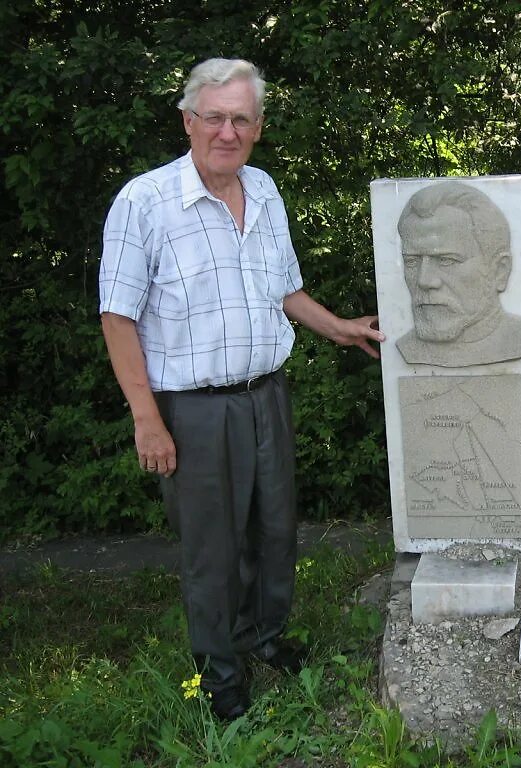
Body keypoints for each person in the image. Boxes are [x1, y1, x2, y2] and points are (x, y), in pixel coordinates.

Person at [98, 58, 385, 721]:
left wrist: (336, 326)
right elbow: (117, 316)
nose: (227, 132)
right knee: (214, 550)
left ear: (258, 128)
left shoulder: (263, 189)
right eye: (214, 117)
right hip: (193, 409)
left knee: (275, 531)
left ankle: (265, 637)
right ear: (188, 121)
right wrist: (147, 418)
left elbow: (282, 288)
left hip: (266, 396)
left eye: (241, 119)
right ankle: (221, 677)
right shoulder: (145, 202)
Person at [396, 181, 521, 367]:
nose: (424, 280)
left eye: (446, 260)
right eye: (412, 261)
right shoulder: (405, 347)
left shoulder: (518, 338)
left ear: (500, 271)